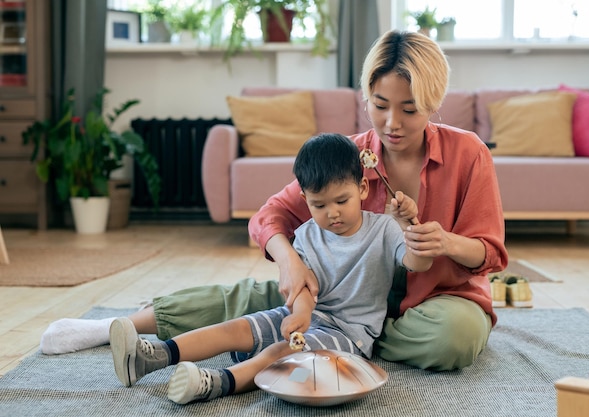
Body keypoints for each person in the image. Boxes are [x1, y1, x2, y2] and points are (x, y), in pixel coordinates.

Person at [40, 29, 508, 371]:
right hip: (336, 296)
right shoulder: (346, 156)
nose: (392, 123)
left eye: (410, 109)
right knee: (250, 296)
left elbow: (490, 252)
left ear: (434, 101)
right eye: (380, 104)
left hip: (435, 301)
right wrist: (288, 262)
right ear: (367, 96)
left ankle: (350, 339)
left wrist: (444, 242)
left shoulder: (468, 153)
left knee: (457, 335)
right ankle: (116, 327)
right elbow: (270, 215)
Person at [107, 133, 432, 404]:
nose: (332, 213)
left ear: (362, 189)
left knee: (280, 351)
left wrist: (408, 227)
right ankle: (152, 357)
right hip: (312, 318)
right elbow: (306, 287)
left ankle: (216, 383)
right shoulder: (305, 234)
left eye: (341, 201)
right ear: (305, 199)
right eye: (319, 205)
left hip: (351, 337)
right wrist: (300, 315)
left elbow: (418, 263)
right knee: (235, 327)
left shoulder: (385, 230)